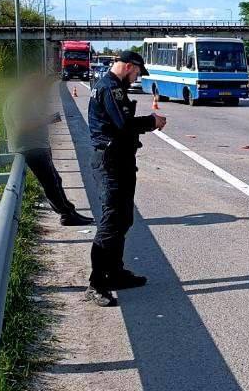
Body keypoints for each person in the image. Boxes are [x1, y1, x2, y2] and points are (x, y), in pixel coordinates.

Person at [84, 50, 167, 307]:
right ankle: (97, 282)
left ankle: (115, 272)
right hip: (110, 162)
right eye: (137, 73)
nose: (137, 78)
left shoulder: (112, 86)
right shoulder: (111, 88)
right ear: (129, 67)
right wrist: (152, 121)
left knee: (123, 219)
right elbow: (124, 124)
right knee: (111, 223)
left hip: (119, 160)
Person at [3, 73, 94, 227]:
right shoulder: (19, 100)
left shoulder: (23, 98)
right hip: (31, 147)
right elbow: (22, 125)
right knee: (51, 183)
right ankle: (67, 214)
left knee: (55, 181)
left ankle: (69, 212)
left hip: (36, 146)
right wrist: (48, 119)